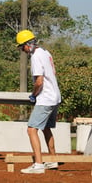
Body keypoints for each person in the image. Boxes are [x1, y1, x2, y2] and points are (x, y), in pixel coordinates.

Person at [16, 30, 61, 174]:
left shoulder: (35, 57)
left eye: (22, 47)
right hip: (55, 96)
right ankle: (53, 160)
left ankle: (39, 164)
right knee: (46, 128)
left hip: (45, 98)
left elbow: (39, 81)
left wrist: (34, 95)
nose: (22, 50)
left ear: (27, 45)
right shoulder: (46, 52)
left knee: (31, 129)